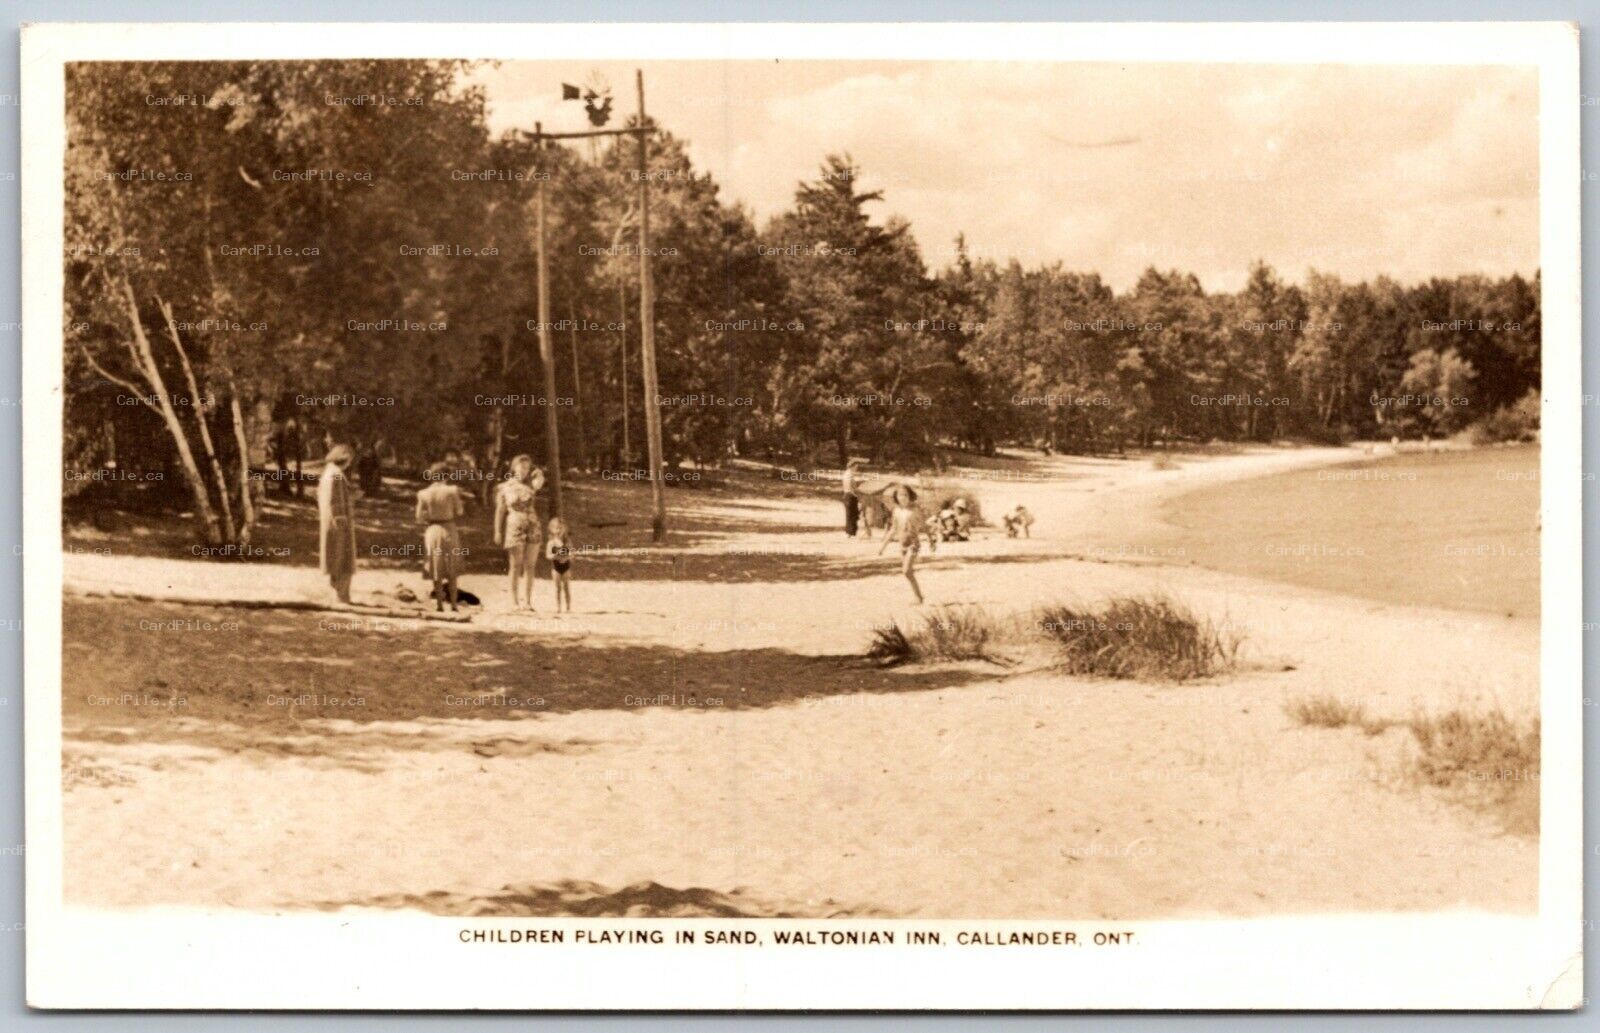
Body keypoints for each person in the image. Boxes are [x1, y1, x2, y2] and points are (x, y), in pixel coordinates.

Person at [493, 454, 545, 611]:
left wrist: (539, 472)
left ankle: (528, 601)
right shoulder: (504, 487)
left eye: (527, 467)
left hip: (533, 526)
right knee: (515, 565)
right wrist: (497, 531)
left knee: (530, 565)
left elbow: (540, 481)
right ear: (514, 467)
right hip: (514, 526)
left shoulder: (532, 485)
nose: (524, 470)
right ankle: (514, 601)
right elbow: (500, 511)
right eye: (521, 466)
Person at [416, 462, 466, 612]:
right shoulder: (452, 490)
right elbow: (459, 511)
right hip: (449, 528)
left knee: (435, 565)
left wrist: (431, 514)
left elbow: (418, 517)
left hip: (432, 529)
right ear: (447, 475)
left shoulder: (423, 493)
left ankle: (439, 604)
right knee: (452, 566)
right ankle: (454, 605)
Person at [878, 484, 936, 604]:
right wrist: (883, 546)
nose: (903, 497)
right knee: (908, 573)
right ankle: (918, 597)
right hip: (902, 544)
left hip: (914, 544)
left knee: (906, 570)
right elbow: (893, 529)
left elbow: (925, 527)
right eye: (900, 495)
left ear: (910, 496)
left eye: (905, 494)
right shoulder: (896, 511)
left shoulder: (915, 510)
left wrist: (931, 541)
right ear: (896, 497)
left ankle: (918, 597)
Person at [317, 443, 358, 605]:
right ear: (345, 457)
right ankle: (342, 597)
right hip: (339, 524)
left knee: (334, 558)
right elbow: (335, 501)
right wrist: (342, 519)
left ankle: (338, 594)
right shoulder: (336, 474)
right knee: (343, 559)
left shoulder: (328, 472)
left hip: (329, 523)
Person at [546, 516, 574, 614]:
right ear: (551, 529)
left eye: (561, 528)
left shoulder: (567, 542)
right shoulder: (551, 543)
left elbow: (571, 554)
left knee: (566, 587)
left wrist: (567, 557)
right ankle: (558, 607)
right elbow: (548, 555)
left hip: (566, 567)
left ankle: (568, 607)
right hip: (556, 567)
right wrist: (556, 556)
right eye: (556, 528)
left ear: (565, 529)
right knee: (557, 588)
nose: (559, 530)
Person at [842, 458, 865, 537]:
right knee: (850, 514)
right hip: (849, 495)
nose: (856, 469)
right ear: (851, 466)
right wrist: (856, 495)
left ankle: (851, 532)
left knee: (854, 514)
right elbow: (849, 487)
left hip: (850, 495)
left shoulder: (850, 474)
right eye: (855, 467)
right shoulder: (848, 475)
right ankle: (849, 532)